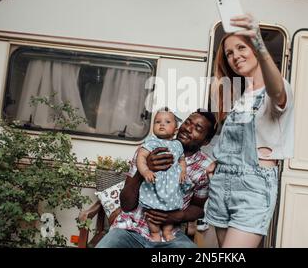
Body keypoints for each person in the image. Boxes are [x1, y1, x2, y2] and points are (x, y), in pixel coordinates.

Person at [204, 14, 294, 248]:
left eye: (241, 48)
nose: (235, 57)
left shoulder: (278, 88)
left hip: (252, 186)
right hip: (222, 183)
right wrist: (215, 162)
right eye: (229, 53)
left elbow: (277, 93)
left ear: (255, 49)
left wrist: (260, 42)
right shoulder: (240, 95)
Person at [96, 109, 217, 248]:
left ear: (206, 141)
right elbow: (126, 205)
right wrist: (144, 170)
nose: (188, 128)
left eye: (198, 128)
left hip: (169, 235)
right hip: (130, 229)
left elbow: (198, 208)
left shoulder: (205, 167)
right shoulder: (148, 150)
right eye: (187, 122)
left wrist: (177, 216)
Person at [136, 108, 187, 242]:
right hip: (155, 184)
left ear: (175, 130)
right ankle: (154, 233)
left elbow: (182, 160)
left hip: (172, 187)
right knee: (152, 210)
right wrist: (146, 171)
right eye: (157, 122)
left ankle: (167, 231)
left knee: (171, 209)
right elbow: (140, 158)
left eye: (167, 122)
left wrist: (183, 171)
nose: (161, 124)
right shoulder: (151, 142)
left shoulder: (178, 145)